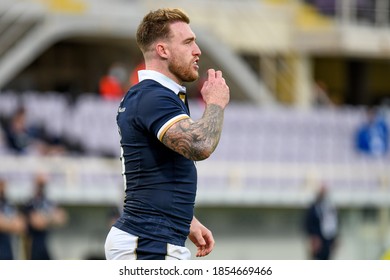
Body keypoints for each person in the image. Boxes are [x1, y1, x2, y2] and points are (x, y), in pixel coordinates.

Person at [104, 8, 230, 260]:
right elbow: (200, 145)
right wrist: (215, 103)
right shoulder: (154, 96)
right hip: (149, 241)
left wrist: (187, 220)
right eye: (188, 42)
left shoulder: (156, 95)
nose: (198, 50)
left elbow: (154, 170)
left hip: (152, 238)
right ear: (163, 50)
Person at [23, 173, 68, 260]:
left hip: (49, 245)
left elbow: (62, 218)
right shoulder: (30, 203)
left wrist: (44, 218)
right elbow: (37, 223)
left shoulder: (48, 201)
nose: (42, 187)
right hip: (34, 246)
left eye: (43, 185)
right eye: (40, 185)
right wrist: (51, 217)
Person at [303, 184, 339, 260]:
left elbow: (334, 224)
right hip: (317, 240)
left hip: (328, 240)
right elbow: (308, 224)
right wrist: (313, 237)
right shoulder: (313, 207)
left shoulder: (330, 207)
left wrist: (335, 239)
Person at [0, 178, 26, 259]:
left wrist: (6, 223)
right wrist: (11, 223)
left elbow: (21, 225)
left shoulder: (8, 203)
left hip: (8, 250)